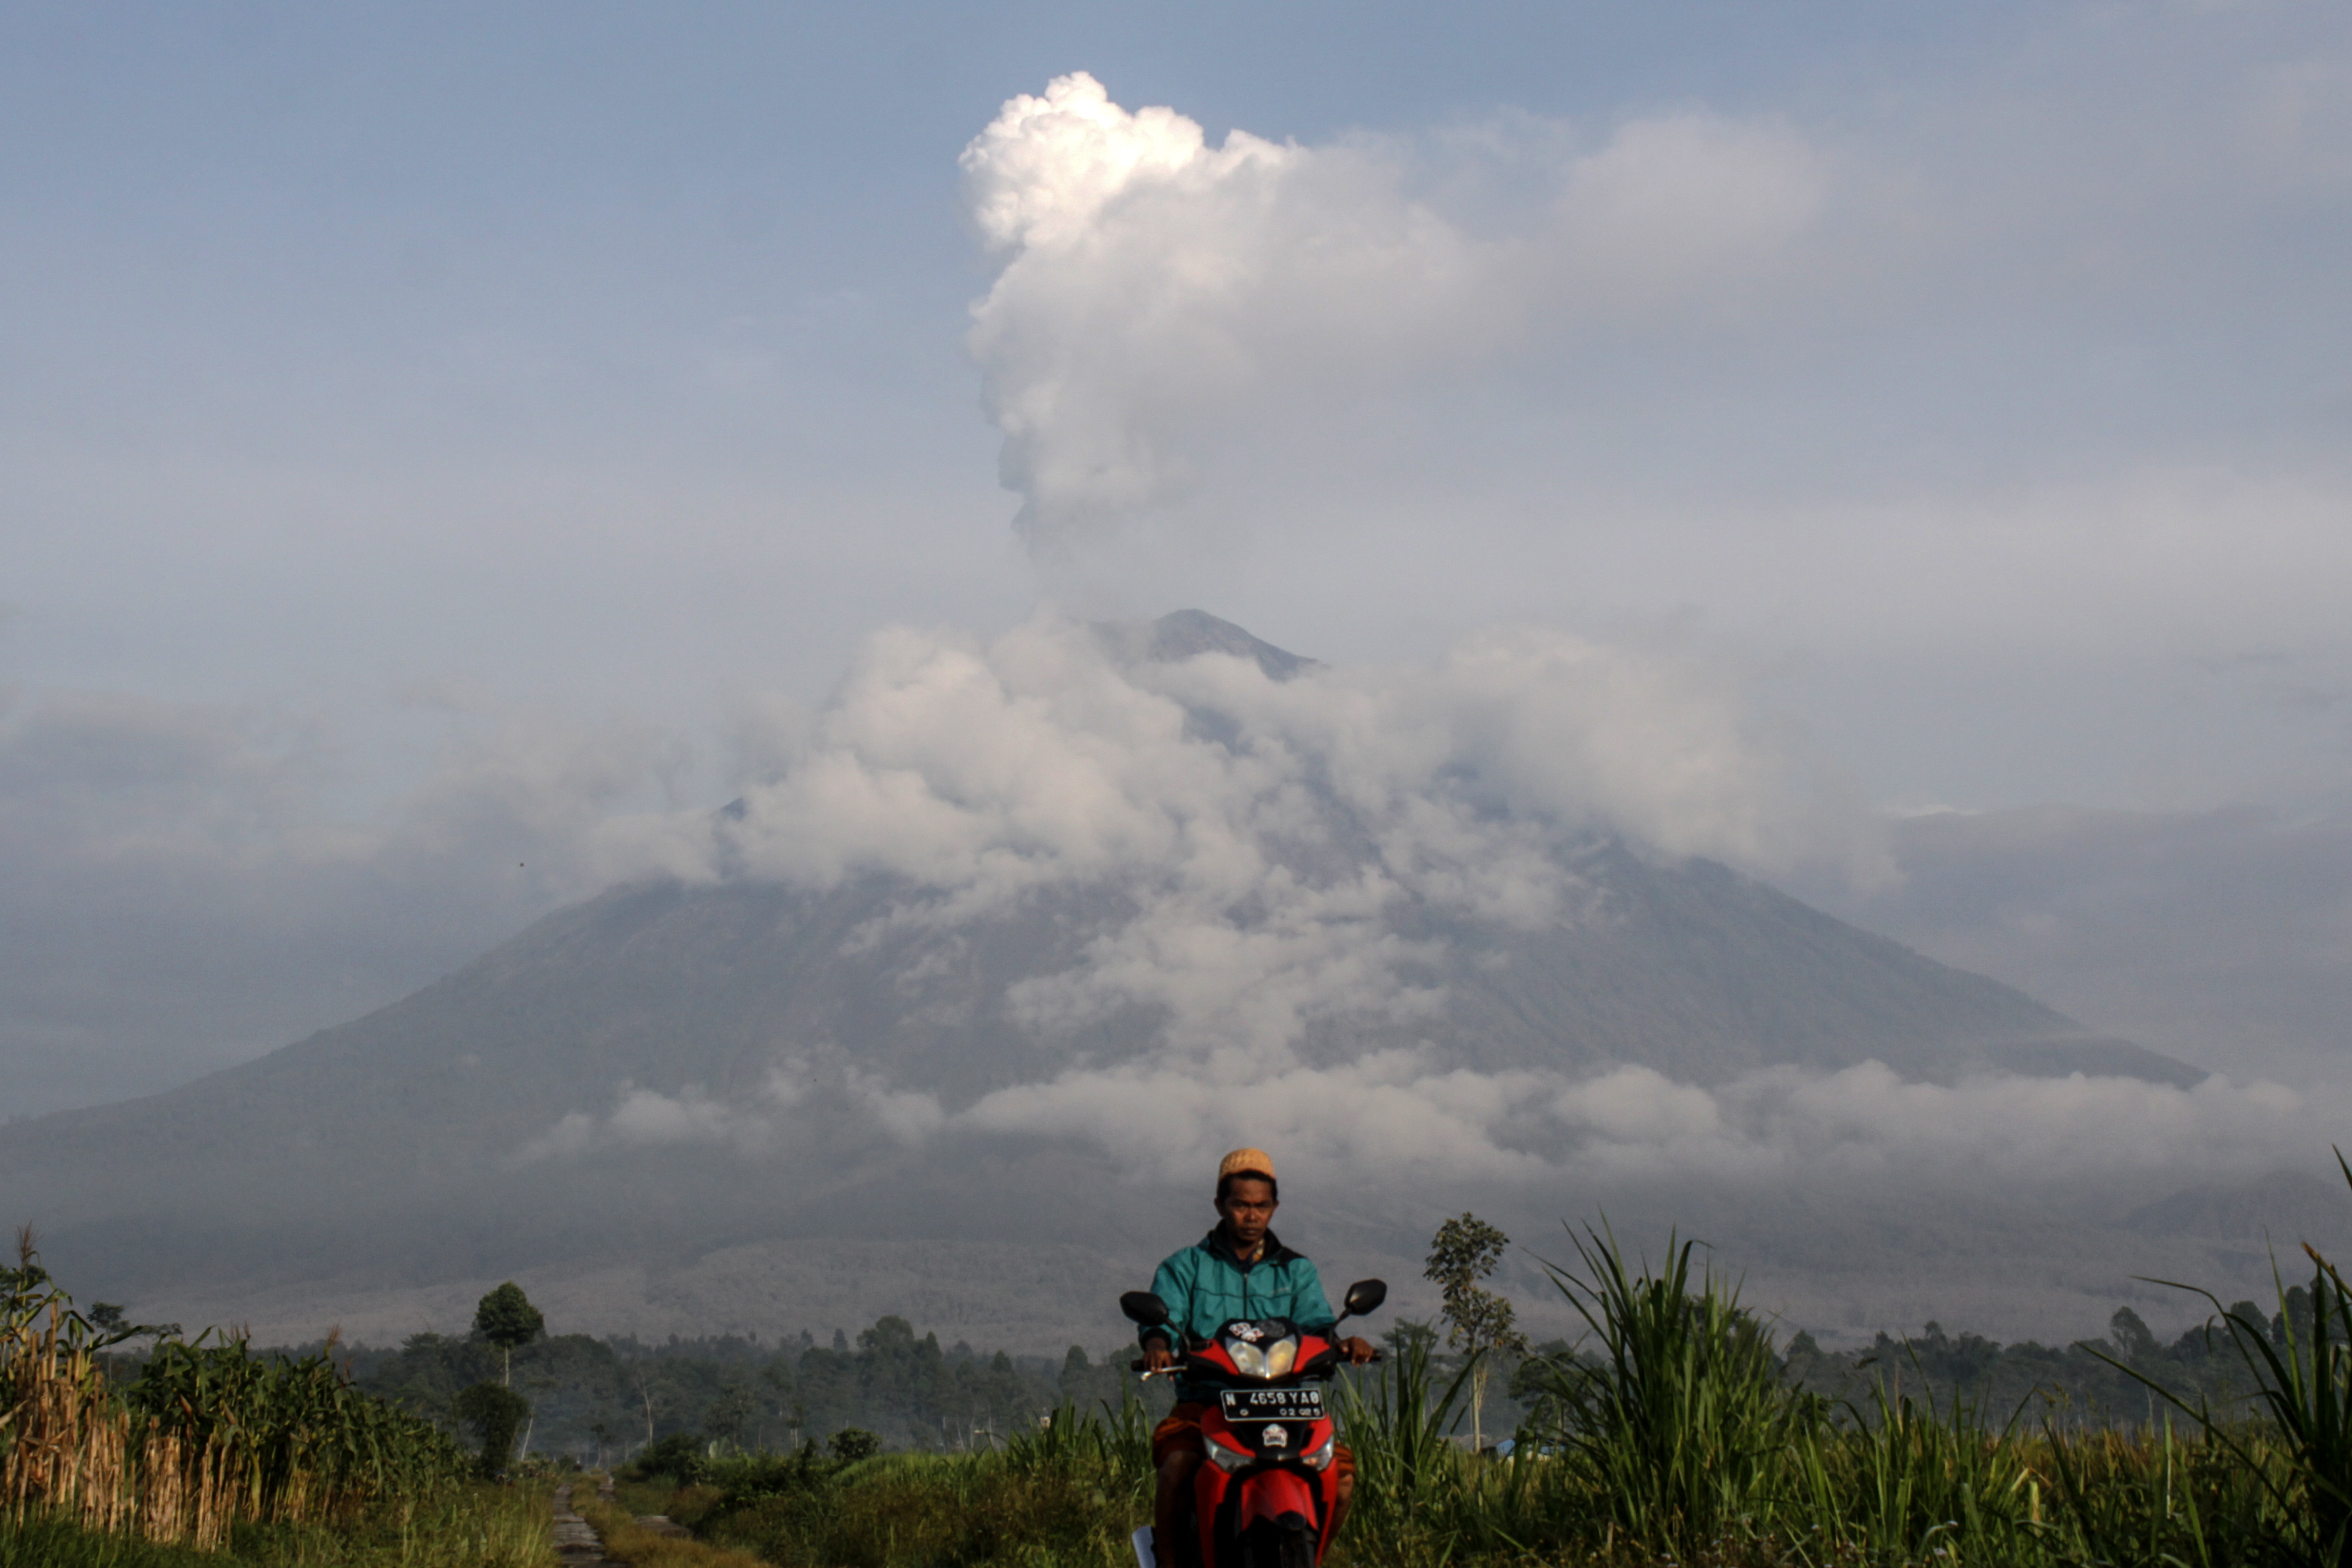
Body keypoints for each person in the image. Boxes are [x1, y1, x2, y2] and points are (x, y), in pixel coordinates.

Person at [1141, 1148, 1376, 1564]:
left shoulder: (1296, 1271)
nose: (1252, 1215)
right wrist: (1157, 1346)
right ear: (1220, 1205)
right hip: (1208, 1401)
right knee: (1177, 1467)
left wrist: (1342, 1344)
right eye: (1241, 1204)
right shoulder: (1187, 1267)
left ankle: (1310, 1557)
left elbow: (1319, 1325)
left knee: (1339, 1479)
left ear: (1275, 1208)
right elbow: (1163, 1315)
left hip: (1288, 1405)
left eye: (1261, 1206)